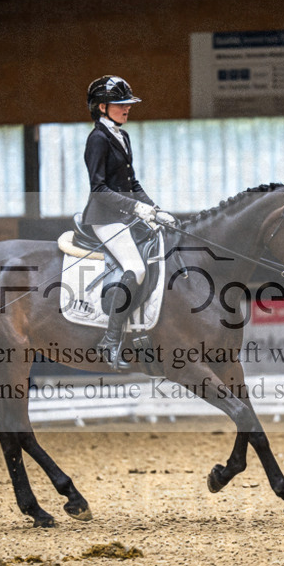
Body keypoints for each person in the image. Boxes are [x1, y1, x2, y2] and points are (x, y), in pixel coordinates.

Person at [82, 75, 175, 370]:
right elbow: (98, 188)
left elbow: (132, 184)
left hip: (125, 216)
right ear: (102, 107)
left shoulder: (122, 136)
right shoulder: (97, 139)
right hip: (104, 218)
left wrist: (155, 210)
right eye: (120, 104)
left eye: (127, 104)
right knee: (135, 269)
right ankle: (110, 341)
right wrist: (136, 208)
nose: (127, 108)